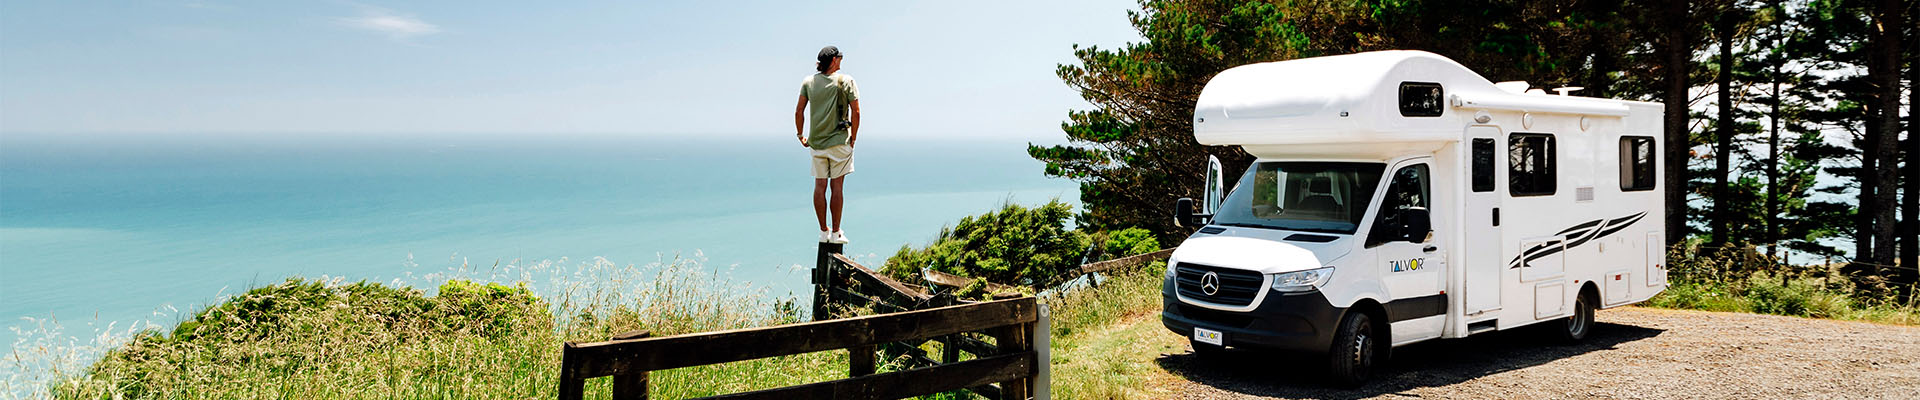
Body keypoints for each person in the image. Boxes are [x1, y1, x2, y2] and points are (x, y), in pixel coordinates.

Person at [795, 45, 860, 244]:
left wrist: (800, 135)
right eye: (839, 58)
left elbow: (799, 112)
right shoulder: (846, 81)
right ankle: (836, 232)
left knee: (820, 186)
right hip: (840, 142)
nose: (841, 60)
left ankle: (824, 231)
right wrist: (854, 137)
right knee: (837, 187)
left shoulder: (809, 82)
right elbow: (856, 112)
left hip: (816, 144)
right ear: (833, 61)